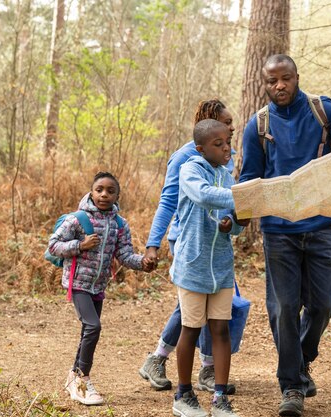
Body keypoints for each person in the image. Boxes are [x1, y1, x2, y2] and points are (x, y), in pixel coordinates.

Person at [239, 55, 331, 417]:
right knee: (283, 308)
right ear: (264, 83)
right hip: (278, 233)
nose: (279, 86)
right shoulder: (258, 125)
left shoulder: (324, 111)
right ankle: (291, 387)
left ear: (297, 78)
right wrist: (234, 214)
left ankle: (301, 361)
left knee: (324, 304)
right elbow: (249, 178)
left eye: (285, 79)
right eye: (272, 81)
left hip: (322, 227)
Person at [139, 99, 239, 394]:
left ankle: (206, 367)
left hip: (217, 242)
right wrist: (152, 244)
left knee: (208, 311)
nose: (232, 128)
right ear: (209, 124)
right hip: (188, 238)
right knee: (190, 311)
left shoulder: (225, 155)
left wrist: (234, 222)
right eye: (227, 122)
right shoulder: (184, 158)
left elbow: (227, 196)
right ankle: (160, 359)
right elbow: (168, 201)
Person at [47, 172, 154, 405]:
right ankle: (83, 381)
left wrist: (143, 263)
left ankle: (73, 378)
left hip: (98, 285)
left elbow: (124, 255)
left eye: (110, 191)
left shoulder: (119, 224)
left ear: (117, 195)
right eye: (99, 190)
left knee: (88, 330)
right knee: (93, 326)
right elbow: (53, 245)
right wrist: (80, 245)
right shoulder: (77, 219)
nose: (104, 194)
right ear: (92, 192)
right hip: (78, 283)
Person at [171, 119, 248, 417]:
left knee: (220, 330)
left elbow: (236, 226)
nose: (226, 147)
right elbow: (203, 195)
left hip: (222, 267)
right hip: (193, 264)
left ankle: (219, 399)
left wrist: (235, 222)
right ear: (202, 149)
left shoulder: (227, 177)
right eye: (218, 144)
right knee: (190, 329)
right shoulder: (190, 169)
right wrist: (242, 196)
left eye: (227, 141)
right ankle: (184, 394)